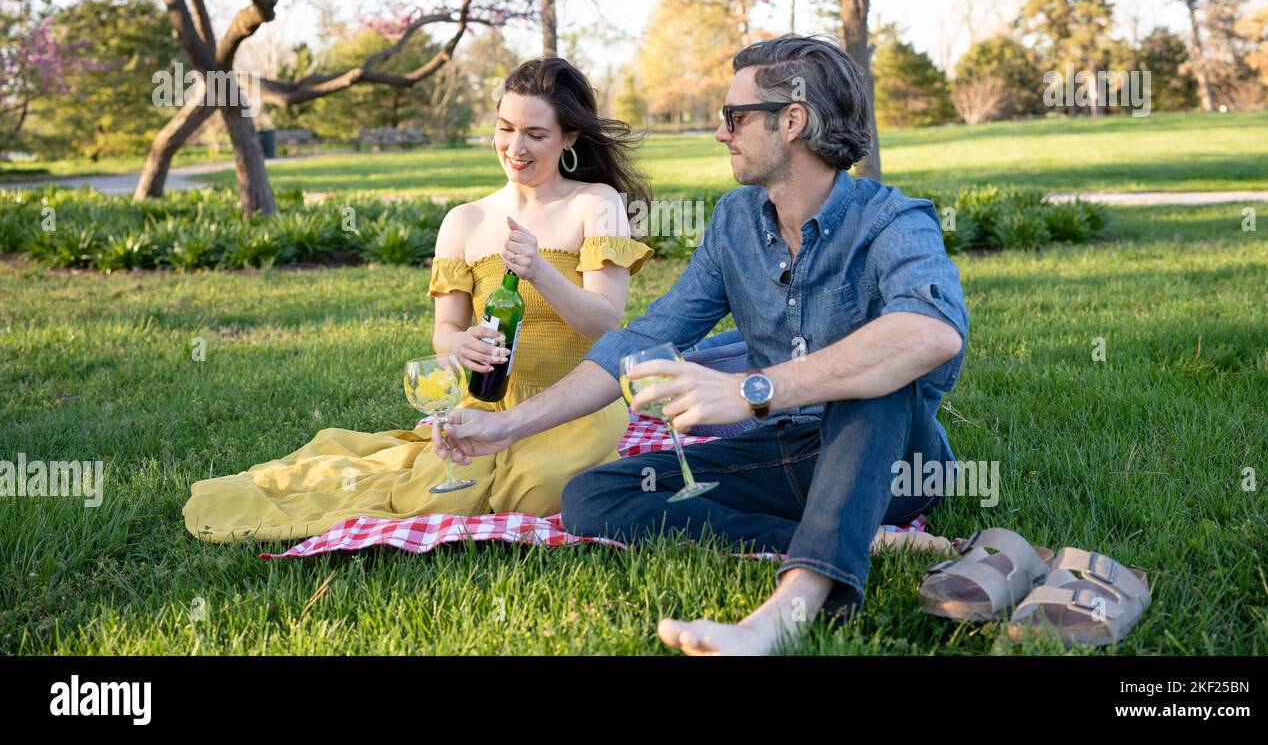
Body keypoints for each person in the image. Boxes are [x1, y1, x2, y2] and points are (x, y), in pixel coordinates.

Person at [438, 35, 969, 655]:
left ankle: (787, 609)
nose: (722, 133)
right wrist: (509, 427)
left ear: (792, 120)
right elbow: (638, 340)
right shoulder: (736, 222)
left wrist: (752, 390)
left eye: (735, 117)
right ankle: (850, 532)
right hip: (786, 456)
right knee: (593, 496)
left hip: (894, 460)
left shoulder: (892, 221)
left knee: (873, 374)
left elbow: (930, 331)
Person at [182, 57, 653, 542]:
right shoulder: (465, 221)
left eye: (536, 133)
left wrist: (539, 271)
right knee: (432, 496)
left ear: (569, 138)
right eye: (505, 127)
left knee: (537, 493)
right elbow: (444, 332)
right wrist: (461, 344)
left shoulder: (594, 203)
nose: (515, 147)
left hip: (575, 404)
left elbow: (606, 325)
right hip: (486, 400)